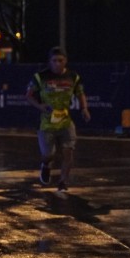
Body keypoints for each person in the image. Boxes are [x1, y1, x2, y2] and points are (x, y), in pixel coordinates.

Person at [26, 46, 91, 192]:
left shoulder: (73, 77)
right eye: (54, 61)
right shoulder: (40, 77)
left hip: (65, 121)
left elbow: (80, 93)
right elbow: (28, 96)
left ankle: (63, 182)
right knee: (48, 154)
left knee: (68, 151)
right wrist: (40, 106)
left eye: (60, 60)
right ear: (49, 62)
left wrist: (84, 108)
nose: (57, 64)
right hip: (46, 123)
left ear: (65, 61)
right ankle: (45, 165)